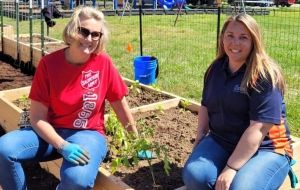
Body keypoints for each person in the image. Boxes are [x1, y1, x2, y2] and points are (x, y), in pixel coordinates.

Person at [0, 6, 138, 190]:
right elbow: (37, 117)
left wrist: (136, 140)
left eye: (95, 34)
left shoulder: (103, 63)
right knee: (4, 149)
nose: (89, 39)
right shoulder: (49, 65)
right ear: (73, 30)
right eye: (84, 31)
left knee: (77, 180)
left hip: (88, 133)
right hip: (51, 132)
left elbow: (119, 104)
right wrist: (62, 145)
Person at [182, 13, 294, 190]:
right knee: (195, 176)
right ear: (222, 38)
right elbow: (205, 105)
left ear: (254, 41)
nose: (235, 43)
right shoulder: (215, 69)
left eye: (243, 37)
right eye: (230, 36)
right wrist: (200, 138)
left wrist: (231, 167)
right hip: (222, 140)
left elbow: (258, 128)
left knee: (240, 187)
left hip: (267, 148)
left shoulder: (264, 75)